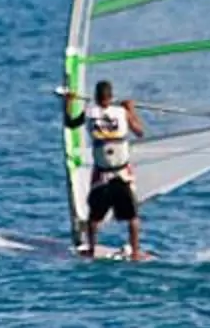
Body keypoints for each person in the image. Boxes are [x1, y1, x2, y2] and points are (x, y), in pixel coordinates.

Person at [62, 77, 147, 259]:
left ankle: (91, 250)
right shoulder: (122, 112)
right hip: (121, 174)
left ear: (95, 96)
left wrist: (69, 102)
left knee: (94, 218)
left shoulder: (90, 112)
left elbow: (70, 123)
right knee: (132, 217)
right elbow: (140, 132)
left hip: (102, 174)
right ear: (111, 96)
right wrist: (131, 110)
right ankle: (136, 252)